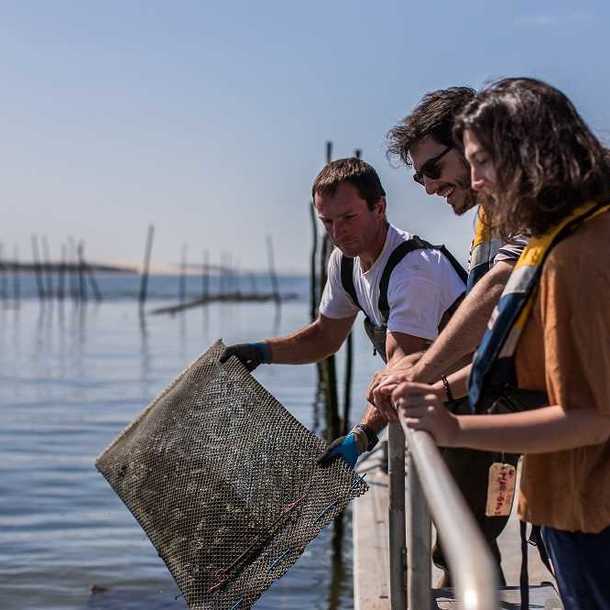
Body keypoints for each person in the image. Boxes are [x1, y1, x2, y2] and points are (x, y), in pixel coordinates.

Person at [393, 77, 610, 610]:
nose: (478, 181)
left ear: (529, 153)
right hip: (564, 501)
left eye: (483, 161)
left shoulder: (577, 254)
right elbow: (520, 359)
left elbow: (591, 413)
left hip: (591, 509)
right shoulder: (554, 240)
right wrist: (444, 388)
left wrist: (452, 424)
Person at [327, 88, 526, 585]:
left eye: (433, 170)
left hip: (525, 410)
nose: (428, 186)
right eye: (418, 176)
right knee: (469, 547)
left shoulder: (526, 210)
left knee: (476, 540)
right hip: (479, 395)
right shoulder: (491, 217)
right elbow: (489, 318)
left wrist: (420, 374)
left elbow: (493, 303)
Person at [221, 157, 466, 465]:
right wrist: (261, 352)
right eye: (327, 222)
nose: (337, 232)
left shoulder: (413, 270)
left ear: (379, 207)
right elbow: (325, 337)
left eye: (348, 217)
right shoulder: (344, 261)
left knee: (459, 512)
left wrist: (362, 435)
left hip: (478, 403)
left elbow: (403, 364)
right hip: (433, 403)